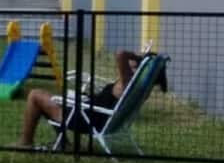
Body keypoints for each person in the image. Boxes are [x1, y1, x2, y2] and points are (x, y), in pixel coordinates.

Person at [16, 45, 165, 149]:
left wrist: (139, 57)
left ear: (138, 66)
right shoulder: (141, 89)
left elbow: (121, 54)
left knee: (35, 95)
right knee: (54, 98)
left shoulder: (127, 83)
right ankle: (63, 143)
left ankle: (25, 143)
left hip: (85, 118)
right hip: (93, 115)